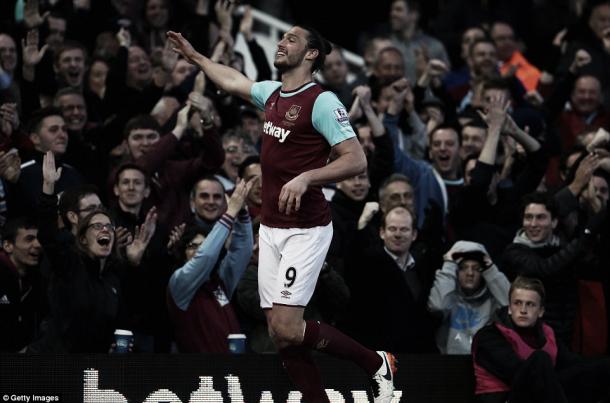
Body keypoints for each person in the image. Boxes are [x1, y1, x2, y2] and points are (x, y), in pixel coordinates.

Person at [168, 22, 396, 402]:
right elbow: (234, 81)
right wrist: (195, 57)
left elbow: (356, 160)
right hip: (272, 228)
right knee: (279, 330)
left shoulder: (322, 101)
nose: (281, 42)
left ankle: (376, 363)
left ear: (310, 54)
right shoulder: (274, 94)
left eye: (291, 39)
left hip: (305, 229)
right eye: (282, 36)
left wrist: (308, 177)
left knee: (289, 327)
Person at [472, 276, 610, 403]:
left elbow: (573, 364)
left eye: (530, 304)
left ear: (541, 311)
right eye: (517, 303)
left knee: (602, 366)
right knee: (540, 359)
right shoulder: (490, 335)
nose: (523, 310)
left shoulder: (546, 333)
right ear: (509, 308)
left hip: (543, 394)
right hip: (504, 397)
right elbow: (517, 373)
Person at [167, 179, 253, 353]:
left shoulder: (218, 281)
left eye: (204, 244)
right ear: (182, 252)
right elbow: (205, 256)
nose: (199, 250)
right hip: (199, 372)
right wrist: (230, 213)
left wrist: (242, 214)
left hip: (231, 370)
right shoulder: (179, 283)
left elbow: (241, 251)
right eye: (193, 246)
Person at [428, 240, 510, 354]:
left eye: (476, 268)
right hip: (449, 363)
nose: (470, 273)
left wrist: (491, 270)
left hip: (484, 364)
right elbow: (438, 306)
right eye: (463, 267)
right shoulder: (448, 295)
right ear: (455, 271)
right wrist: (448, 265)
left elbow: (511, 306)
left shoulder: (493, 299)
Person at [0, 217, 45, 352]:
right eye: (29, 239)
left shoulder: (37, 279)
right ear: (8, 245)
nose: (38, 244)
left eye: (39, 239)